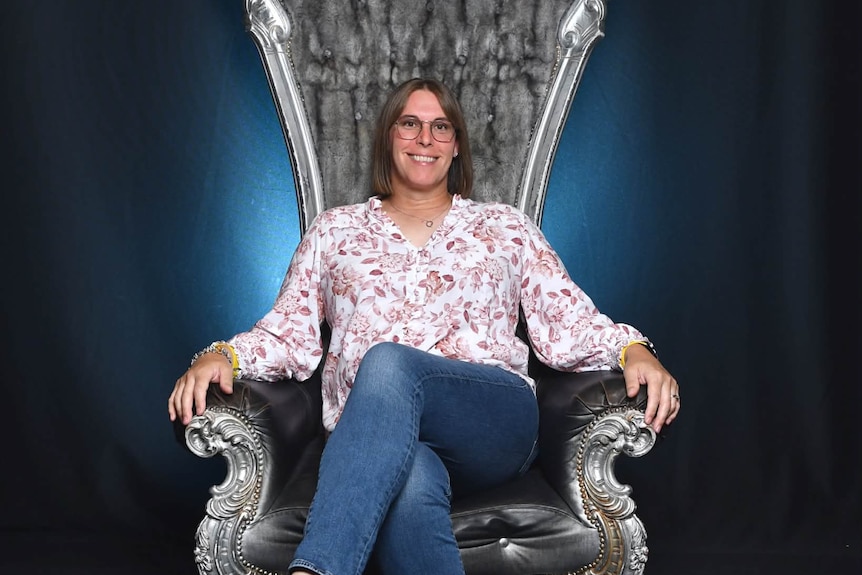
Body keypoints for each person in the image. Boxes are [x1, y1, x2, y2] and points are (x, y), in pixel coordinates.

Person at [168, 77, 680, 575]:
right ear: (389, 136)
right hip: (374, 439)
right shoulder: (335, 232)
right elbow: (289, 335)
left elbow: (566, 320)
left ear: (456, 146)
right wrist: (223, 356)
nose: (424, 139)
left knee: (389, 361)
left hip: (492, 422)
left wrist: (632, 349)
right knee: (409, 478)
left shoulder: (504, 227)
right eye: (410, 124)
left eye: (440, 128)